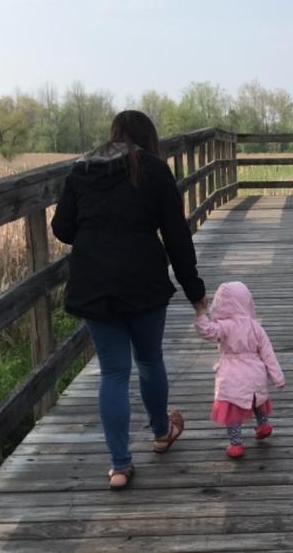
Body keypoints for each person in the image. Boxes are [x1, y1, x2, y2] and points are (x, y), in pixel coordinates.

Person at [51, 110, 207, 490]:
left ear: (114, 134)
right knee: (150, 358)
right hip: (143, 280)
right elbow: (176, 235)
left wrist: (97, 231)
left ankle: (119, 465)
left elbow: (61, 228)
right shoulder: (153, 170)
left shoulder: (82, 169)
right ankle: (159, 432)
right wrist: (195, 292)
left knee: (113, 372)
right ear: (148, 138)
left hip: (93, 281)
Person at [194, 281, 285, 459]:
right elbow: (268, 353)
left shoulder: (225, 326)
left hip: (232, 375)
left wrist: (200, 313)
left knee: (232, 411)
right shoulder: (255, 326)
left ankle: (236, 444)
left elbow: (206, 331)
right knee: (257, 400)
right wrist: (278, 377)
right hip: (255, 372)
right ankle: (263, 425)